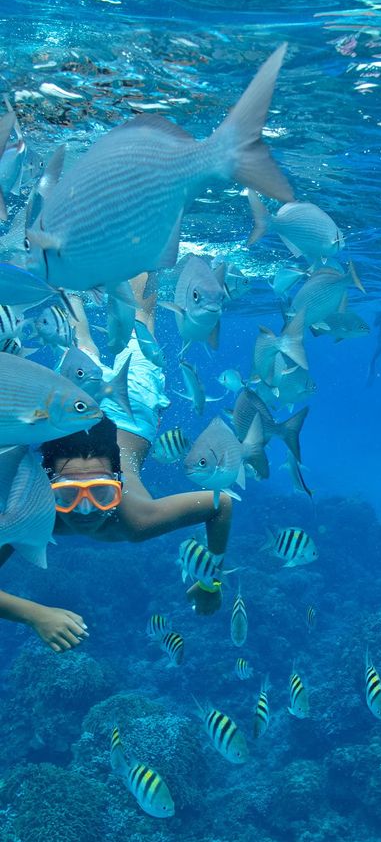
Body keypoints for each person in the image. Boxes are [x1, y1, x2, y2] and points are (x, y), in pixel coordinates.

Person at [0, 274, 232, 653]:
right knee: (98, 343)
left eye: (103, 492)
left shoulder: (138, 520)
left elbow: (222, 503)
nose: (86, 509)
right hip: (121, 408)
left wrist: (212, 580)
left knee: (126, 325)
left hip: (127, 405)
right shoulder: (32, 514)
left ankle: (108, 271)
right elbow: (219, 504)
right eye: (67, 495)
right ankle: (104, 280)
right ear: (46, 486)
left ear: (120, 482)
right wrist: (35, 614)